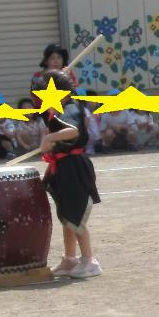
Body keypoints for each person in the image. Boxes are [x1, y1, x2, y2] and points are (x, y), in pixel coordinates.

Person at [36, 69, 102, 279]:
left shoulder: (71, 107)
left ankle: (89, 261)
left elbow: (73, 131)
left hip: (74, 167)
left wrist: (49, 139)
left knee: (75, 214)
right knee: (66, 216)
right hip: (63, 167)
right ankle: (70, 258)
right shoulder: (61, 107)